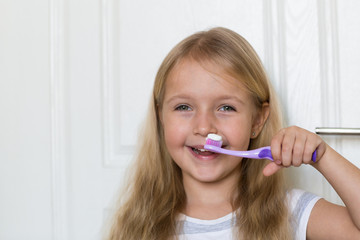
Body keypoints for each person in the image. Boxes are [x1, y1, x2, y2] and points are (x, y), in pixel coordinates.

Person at [105, 27, 360, 240]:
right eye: (184, 107)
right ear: (161, 116)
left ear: (257, 120)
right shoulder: (138, 225)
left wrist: (322, 157)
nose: (204, 127)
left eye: (226, 107)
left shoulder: (290, 213)